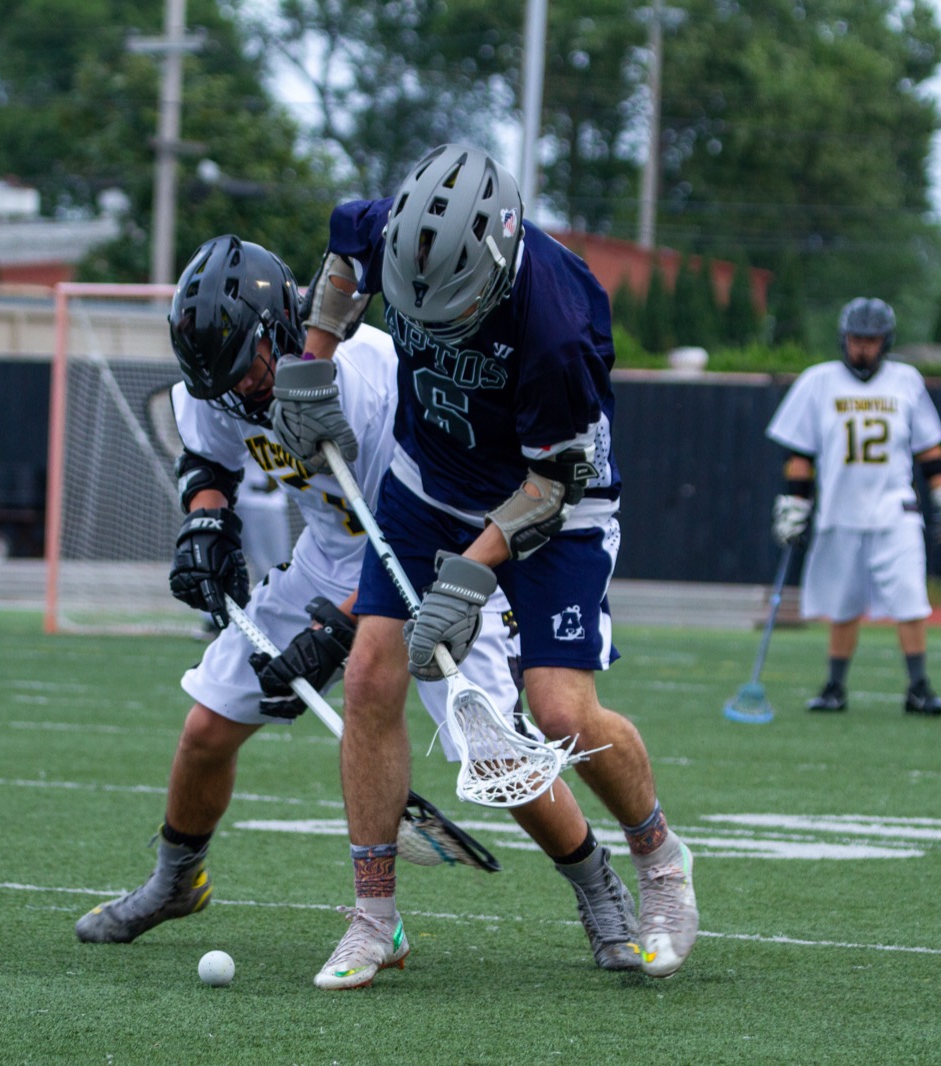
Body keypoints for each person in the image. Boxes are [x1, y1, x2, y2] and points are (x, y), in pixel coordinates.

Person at [75, 235, 643, 977]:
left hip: (435, 555)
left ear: (283, 326)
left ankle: (601, 890)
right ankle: (176, 881)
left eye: (250, 366)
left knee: (497, 754)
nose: (241, 389)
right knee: (208, 725)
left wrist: (341, 627)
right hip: (327, 553)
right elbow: (206, 460)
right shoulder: (220, 380)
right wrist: (205, 522)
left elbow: (407, 529)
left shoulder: (371, 378)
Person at [268, 144, 699, 990]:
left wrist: (469, 577)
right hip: (427, 480)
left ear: (499, 264)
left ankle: (660, 863)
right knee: (368, 676)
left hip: (553, 503)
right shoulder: (395, 225)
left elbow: (553, 481)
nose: (428, 327)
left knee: (559, 707)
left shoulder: (560, 325)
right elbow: (344, 255)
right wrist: (312, 359)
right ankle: (374, 916)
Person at [764, 297, 941, 716]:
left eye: (871, 341)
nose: (862, 349)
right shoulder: (818, 381)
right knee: (842, 604)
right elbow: (800, 452)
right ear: (844, 339)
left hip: (895, 510)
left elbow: (929, 447)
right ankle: (834, 687)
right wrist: (796, 503)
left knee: (910, 599)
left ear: (885, 342)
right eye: (857, 340)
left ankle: (919, 687)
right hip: (839, 511)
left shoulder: (906, 380)